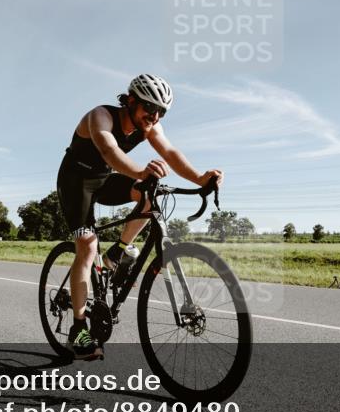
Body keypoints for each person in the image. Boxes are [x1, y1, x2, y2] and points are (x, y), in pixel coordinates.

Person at [56, 74, 222, 359]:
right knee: (87, 246)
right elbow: (109, 150)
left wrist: (200, 178)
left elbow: (170, 152)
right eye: (149, 107)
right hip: (75, 181)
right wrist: (140, 172)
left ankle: (118, 252)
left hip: (104, 179)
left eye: (161, 112)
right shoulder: (100, 116)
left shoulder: (150, 126)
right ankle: (79, 329)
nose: (154, 116)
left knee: (149, 197)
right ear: (131, 101)